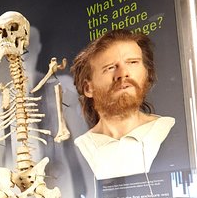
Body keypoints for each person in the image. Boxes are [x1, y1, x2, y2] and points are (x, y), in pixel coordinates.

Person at [71, 29, 175, 180]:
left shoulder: (169, 130)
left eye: (133, 62)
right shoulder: (79, 149)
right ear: (88, 88)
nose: (123, 73)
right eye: (110, 68)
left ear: (146, 73)